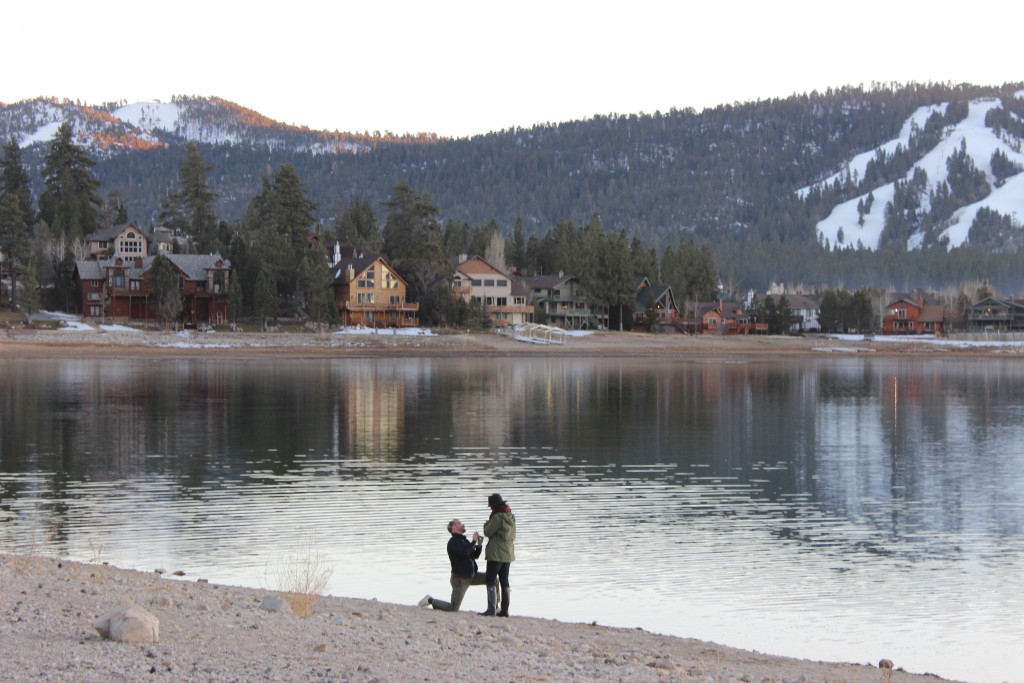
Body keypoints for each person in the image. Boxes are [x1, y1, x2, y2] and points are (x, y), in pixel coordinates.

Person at [418, 519, 485, 611]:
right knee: (453, 608)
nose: (462, 524)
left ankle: (494, 607)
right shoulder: (453, 542)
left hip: (472, 576)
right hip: (460, 580)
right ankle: (430, 600)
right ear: (453, 528)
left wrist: (479, 545)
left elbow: (475, 555)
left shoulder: (464, 540)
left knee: (493, 579)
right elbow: (465, 553)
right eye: (459, 523)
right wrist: (473, 541)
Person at [481, 492, 515, 617]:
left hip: (495, 553)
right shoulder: (511, 517)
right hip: (508, 553)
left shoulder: (497, 517)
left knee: (490, 579)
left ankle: (491, 608)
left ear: (494, 506)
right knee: (504, 580)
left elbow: (487, 532)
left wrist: (486, 523)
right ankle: (505, 610)